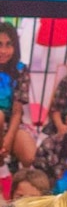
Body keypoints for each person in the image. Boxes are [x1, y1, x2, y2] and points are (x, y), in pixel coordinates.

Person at [0, 21, 36, 168]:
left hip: (12, 123)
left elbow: (17, 112)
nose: (3, 50)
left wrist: (8, 138)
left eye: (9, 44)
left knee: (30, 157)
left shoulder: (21, 70)